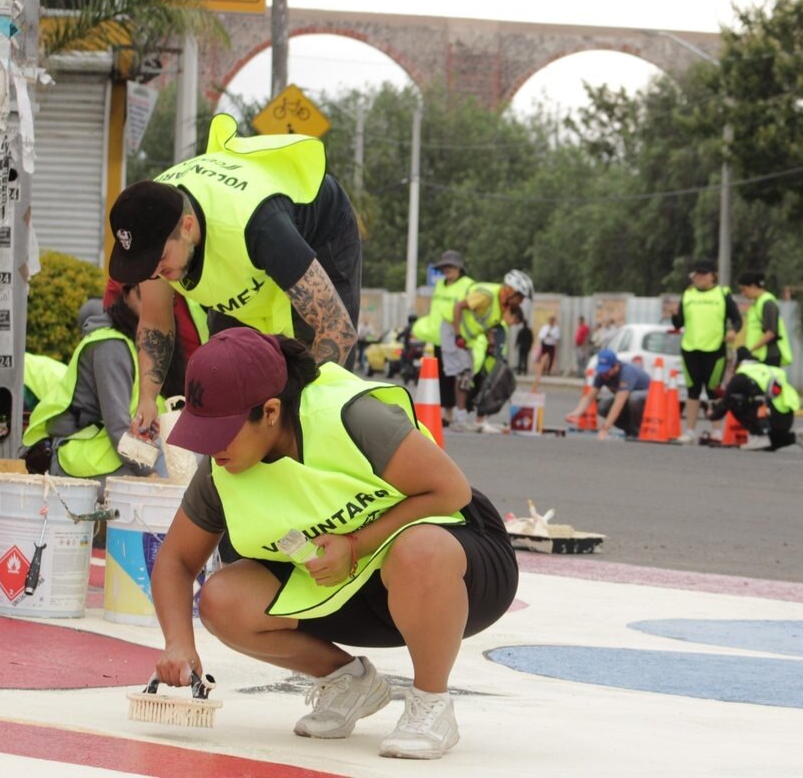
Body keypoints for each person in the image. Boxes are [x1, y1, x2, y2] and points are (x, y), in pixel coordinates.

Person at [152, 328, 518, 760]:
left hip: (460, 571)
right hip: (350, 587)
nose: (211, 448)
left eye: (221, 432)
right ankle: (349, 682)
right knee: (222, 600)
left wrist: (356, 544)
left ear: (270, 412)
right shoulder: (222, 467)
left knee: (418, 551)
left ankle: (431, 703)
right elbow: (176, 561)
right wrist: (178, 642)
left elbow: (451, 490)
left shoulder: (351, 417)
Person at [107, 113, 362, 441]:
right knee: (226, 379)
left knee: (304, 394)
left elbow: (336, 327)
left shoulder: (259, 226)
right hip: (243, 264)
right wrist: (147, 400)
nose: (154, 274)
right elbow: (156, 322)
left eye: (160, 260)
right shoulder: (152, 223)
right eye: (146, 266)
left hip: (315, 235)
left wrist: (297, 414)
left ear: (187, 226)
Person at [21, 283, 173, 485]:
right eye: (144, 295)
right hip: (77, 456)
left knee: (167, 453)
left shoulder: (128, 342)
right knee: (166, 464)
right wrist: (151, 475)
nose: (154, 306)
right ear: (126, 295)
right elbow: (118, 430)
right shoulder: (112, 346)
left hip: (94, 449)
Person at [447, 269, 533, 433]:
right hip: (453, 331)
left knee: (470, 375)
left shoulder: (501, 305)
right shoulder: (487, 295)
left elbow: (484, 322)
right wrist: (457, 335)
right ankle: (459, 419)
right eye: (520, 297)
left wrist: (489, 341)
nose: (521, 302)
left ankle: (466, 418)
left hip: (469, 339)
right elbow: (458, 307)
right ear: (510, 290)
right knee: (464, 373)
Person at [671, 258, 742, 445]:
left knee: (713, 391)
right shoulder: (688, 295)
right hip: (690, 348)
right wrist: (674, 317)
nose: (700, 277)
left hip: (714, 349)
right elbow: (679, 323)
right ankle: (690, 431)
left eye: (704, 274)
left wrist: (733, 331)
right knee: (692, 391)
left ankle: (716, 431)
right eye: (697, 274)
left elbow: (737, 319)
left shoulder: (722, 294)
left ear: (713, 276)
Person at [709, 347, 803, 453]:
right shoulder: (767, 370)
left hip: (770, 419)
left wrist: (711, 415)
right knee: (767, 444)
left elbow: (726, 402)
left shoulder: (741, 376)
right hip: (786, 419)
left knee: (734, 400)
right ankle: (795, 437)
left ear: (738, 361)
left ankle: (757, 436)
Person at [412, 250, 475, 424]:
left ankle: (458, 412)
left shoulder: (468, 285)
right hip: (439, 338)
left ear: (459, 268)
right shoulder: (440, 285)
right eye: (445, 266)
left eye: (451, 266)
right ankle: (446, 413)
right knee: (441, 376)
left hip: (457, 338)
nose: (448, 269)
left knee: (458, 375)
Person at [562, 348, 650, 441]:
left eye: (607, 371)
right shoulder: (602, 375)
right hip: (628, 400)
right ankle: (630, 430)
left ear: (616, 366)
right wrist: (576, 413)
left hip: (647, 399)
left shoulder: (626, 372)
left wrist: (605, 428)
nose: (604, 375)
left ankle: (639, 430)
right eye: (602, 371)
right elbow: (589, 397)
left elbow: (619, 403)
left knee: (634, 398)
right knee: (602, 406)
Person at [737, 270, 793, 368]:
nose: (743, 294)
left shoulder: (767, 303)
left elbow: (771, 333)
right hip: (758, 355)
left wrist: (751, 349)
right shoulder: (757, 304)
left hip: (768, 356)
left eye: (744, 289)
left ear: (753, 286)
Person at [530, 314, 560, 391]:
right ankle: (542, 370)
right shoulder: (545, 327)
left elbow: (557, 337)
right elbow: (541, 335)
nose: (552, 322)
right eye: (551, 321)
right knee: (543, 358)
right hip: (545, 343)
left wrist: (552, 335)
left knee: (551, 357)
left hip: (552, 344)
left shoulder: (556, 328)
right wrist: (546, 335)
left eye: (553, 321)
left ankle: (549, 370)